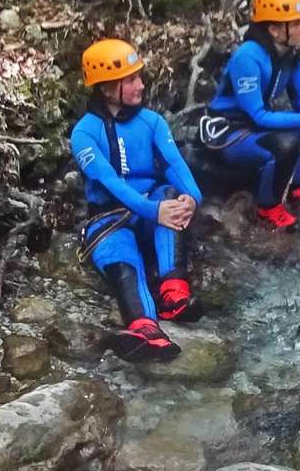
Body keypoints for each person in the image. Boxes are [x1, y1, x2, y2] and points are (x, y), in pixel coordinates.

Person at [70, 39, 203, 363]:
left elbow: (174, 165)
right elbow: (108, 181)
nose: (140, 85)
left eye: (138, 77)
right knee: (124, 262)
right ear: (106, 88)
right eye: (130, 80)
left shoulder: (152, 122)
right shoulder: (84, 133)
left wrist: (192, 199)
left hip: (152, 208)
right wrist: (152, 210)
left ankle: (175, 292)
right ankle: (145, 328)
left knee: (173, 196)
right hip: (109, 217)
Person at [200, 0, 300, 230]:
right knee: (285, 146)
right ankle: (267, 207)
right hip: (231, 132)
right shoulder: (248, 57)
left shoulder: (290, 52)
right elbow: (258, 116)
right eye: (298, 23)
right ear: (275, 29)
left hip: (256, 126)